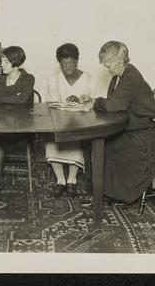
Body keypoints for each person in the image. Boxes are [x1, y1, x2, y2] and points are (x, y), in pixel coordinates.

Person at [93, 41, 155, 204]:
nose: (106, 69)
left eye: (108, 64)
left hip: (152, 133)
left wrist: (96, 101)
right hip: (138, 128)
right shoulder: (119, 77)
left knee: (108, 146)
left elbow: (112, 105)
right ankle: (110, 191)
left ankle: (122, 193)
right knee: (104, 145)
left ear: (119, 61)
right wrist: (101, 102)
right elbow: (114, 103)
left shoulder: (130, 76)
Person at [45, 43, 101, 198]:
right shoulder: (54, 80)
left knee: (75, 141)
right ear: (59, 63)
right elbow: (51, 103)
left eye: (72, 63)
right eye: (64, 64)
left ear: (77, 61)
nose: (68, 67)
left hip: (81, 122)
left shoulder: (89, 80)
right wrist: (64, 104)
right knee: (53, 140)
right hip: (59, 120)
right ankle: (60, 180)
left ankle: (72, 179)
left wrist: (81, 101)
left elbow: (96, 103)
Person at [0, 46, 35, 193]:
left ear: (15, 62)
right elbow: (3, 101)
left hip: (22, 126)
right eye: (1, 61)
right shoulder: (0, 81)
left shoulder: (28, 78)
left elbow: (22, 100)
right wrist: (12, 98)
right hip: (2, 122)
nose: (1, 64)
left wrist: (3, 99)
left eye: (5, 61)